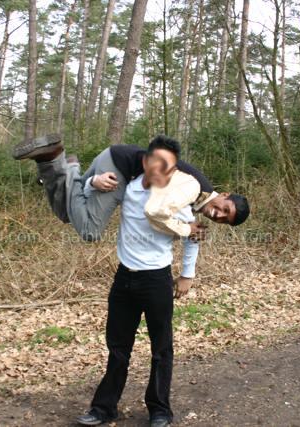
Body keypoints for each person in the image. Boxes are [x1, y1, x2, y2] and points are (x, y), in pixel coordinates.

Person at [75, 159, 199, 427]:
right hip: (124, 278)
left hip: (157, 280)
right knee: (117, 348)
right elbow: (85, 194)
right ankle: (103, 408)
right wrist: (93, 181)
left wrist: (187, 274)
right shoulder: (129, 187)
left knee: (161, 348)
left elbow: (195, 234)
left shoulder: (174, 198)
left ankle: (160, 410)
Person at [12, 134, 250, 242]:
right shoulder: (196, 190)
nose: (218, 215)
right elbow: (155, 211)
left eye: (223, 220)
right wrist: (186, 230)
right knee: (89, 231)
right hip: (120, 171)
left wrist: (186, 232)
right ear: (225, 195)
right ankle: (68, 168)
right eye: (225, 209)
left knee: (68, 213)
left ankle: (49, 162)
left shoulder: (198, 197)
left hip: (115, 156)